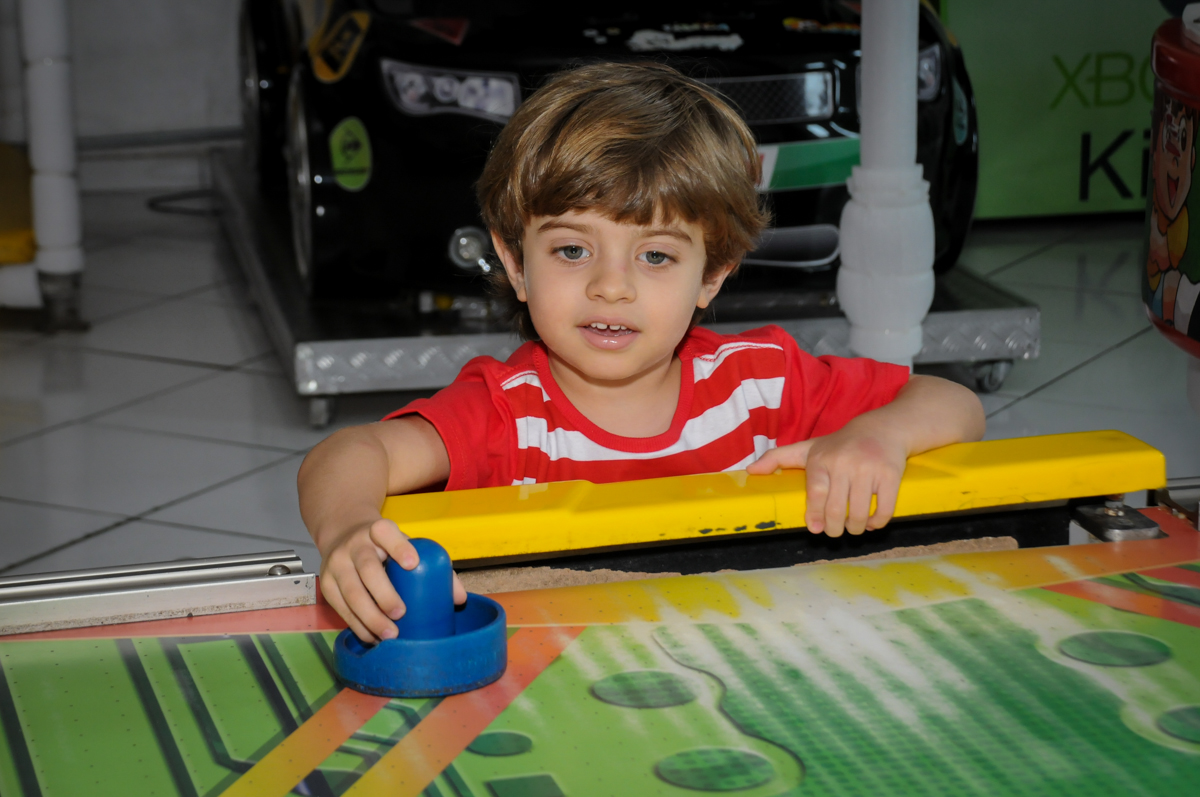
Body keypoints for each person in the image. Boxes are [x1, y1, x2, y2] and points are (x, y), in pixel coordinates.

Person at [298, 62, 985, 643]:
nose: (610, 286)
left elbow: (952, 402)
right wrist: (348, 526)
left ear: (712, 275)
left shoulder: (760, 381)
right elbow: (351, 453)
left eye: (656, 255)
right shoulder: (508, 415)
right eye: (572, 249)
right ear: (514, 262)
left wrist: (874, 436)